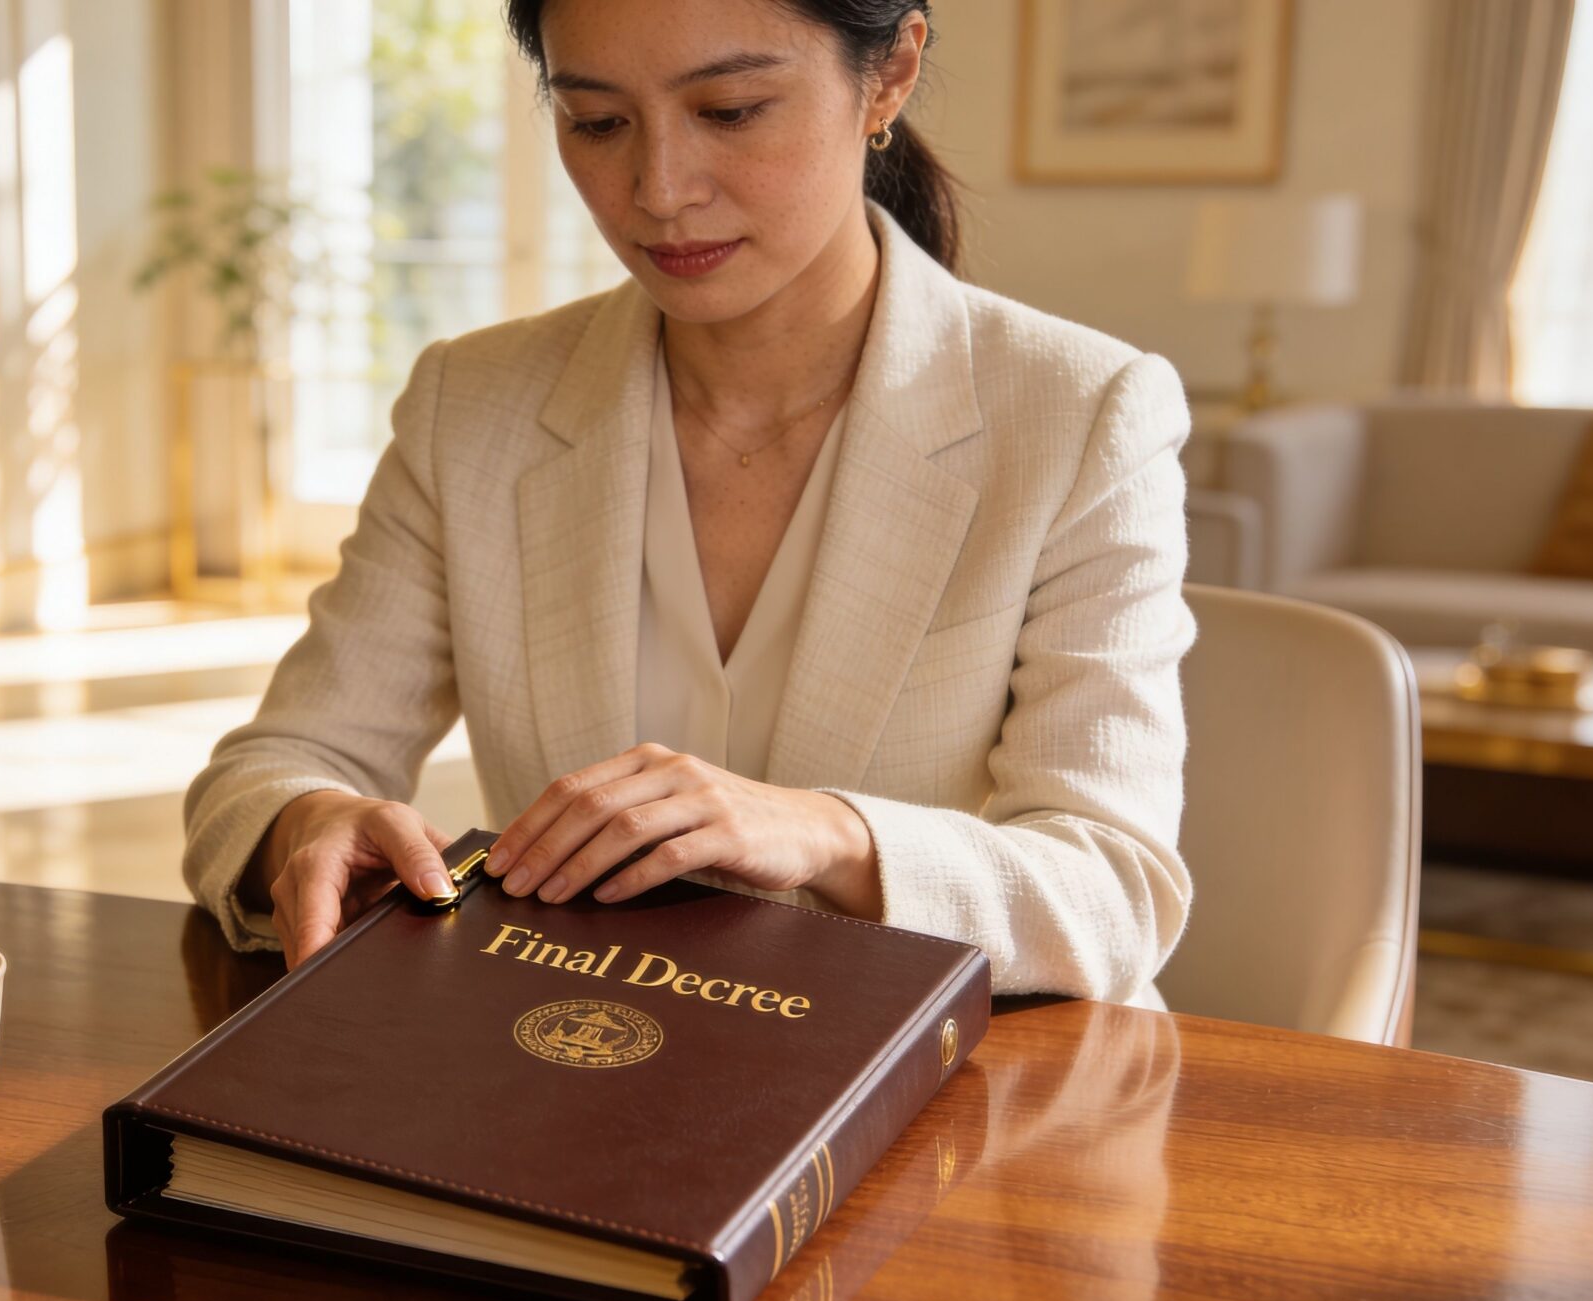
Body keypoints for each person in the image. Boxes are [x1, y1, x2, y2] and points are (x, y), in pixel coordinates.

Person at [183, 0, 1194, 1006]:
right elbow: (278, 761)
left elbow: (1113, 889)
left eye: (731, 110)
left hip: (945, 1091)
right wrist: (306, 819)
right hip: (576, 1070)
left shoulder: (1080, 413)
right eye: (598, 122)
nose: (658, 191)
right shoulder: (474, 403)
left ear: (887, 74)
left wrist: (827, 834)